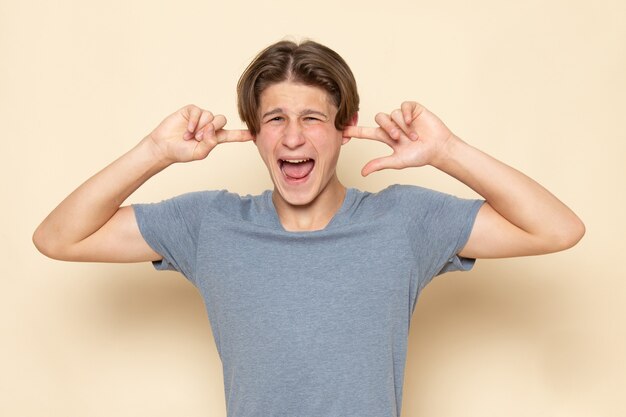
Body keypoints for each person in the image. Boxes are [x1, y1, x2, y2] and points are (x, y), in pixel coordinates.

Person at [33, 39, 585, 417]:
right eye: (275, 119)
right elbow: (59, 238)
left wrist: (446, 151)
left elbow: (557, 229)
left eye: (312, 118)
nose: (293, 138)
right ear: (254, 134)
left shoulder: (403, 221)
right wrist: (155, 151)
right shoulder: (210, 224)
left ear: (345, 129)